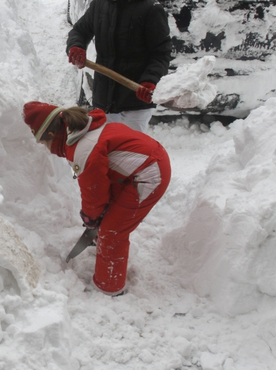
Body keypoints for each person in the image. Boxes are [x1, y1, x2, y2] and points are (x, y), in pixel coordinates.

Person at [22, 101, 171, 296]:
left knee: (112, 232)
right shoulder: (82, 131)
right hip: (137, 167)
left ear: (51, 135)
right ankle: (103, 248)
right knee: (108, 216)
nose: (47, 148)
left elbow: (94, 194)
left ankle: (109, 288)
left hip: (149, 173)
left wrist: (91, 218)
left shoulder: (83, 149)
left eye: (44, 143)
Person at [67, 0, 173, 133]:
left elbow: (161, 53)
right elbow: (79, 31)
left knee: (132, 150)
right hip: (104, 100)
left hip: (135, 101)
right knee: (104, 148)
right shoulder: (100, 5)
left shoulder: (151, 9)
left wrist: (151, 80)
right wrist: (76, 46)